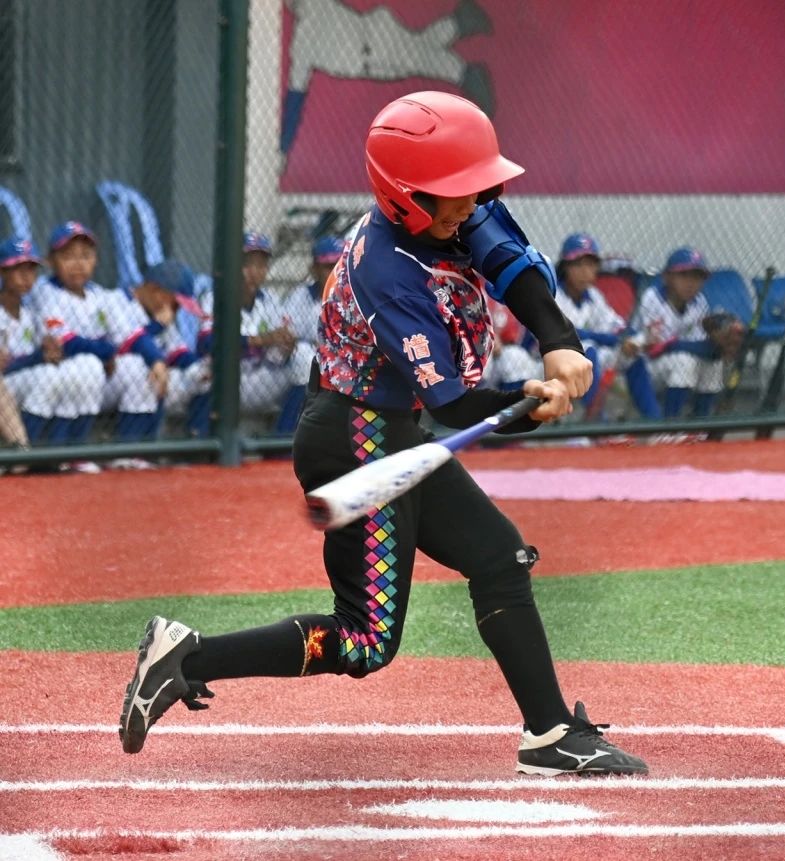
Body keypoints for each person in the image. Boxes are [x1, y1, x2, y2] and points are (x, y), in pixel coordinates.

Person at [119, 91, 648, 777]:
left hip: (390, 428)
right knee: (366, 640)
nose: (471, 203)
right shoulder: (388, 272)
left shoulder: (452, 212)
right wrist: (526, 399)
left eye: (473, 187)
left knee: (497, 556)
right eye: (454, 192)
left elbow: (511, 265)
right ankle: (187, 655)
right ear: (406, 197)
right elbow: (453, 404)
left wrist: (559, 340)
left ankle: (550, 734)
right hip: (354, 433)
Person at [199, 232, 313, 435]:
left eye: (261, 265)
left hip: (260, 380)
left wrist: (286, 346)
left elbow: (279, 349)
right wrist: (261, 339)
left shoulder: (269, 299)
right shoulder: (215, 298)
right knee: (203, 370)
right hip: (224, 384)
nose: (254, 272)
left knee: (305, 355)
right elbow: (207, 342)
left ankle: (281, 440)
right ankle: (201, 441)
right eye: (247, 264)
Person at [28, 222, 125, 455]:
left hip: (97, 372)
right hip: (54, 367)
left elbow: (122, 337)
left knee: (134, 369)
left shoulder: (98, 294)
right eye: (68, 256)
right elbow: (66, 342)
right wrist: (105, 351)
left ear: (96, 260)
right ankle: (60, 450)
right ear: (51, 261)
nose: (78, 264)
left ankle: (129, 450)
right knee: (86, 366)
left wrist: (108, 351)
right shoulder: (45, 291)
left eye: (86, 256)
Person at [631, 247, 739, 418]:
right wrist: (702, 347)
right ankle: (669, 427)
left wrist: (717, 346)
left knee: (713, 363)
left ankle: (700, 424)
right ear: (667, 277)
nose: (691, 283)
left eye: (697, 277)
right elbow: (659, 347)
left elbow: (698, 344)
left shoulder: (699, 302)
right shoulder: (653, 298)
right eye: (684, 275)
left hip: (674, 365)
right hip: (643, 369)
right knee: (684, 360)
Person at [114, 260, 214, 439]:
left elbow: (179, 353)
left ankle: (197, 445)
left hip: (151, 382)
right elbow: (127, 345)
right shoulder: (118, 301)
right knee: (143, 371)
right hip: (114, 381)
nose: (177, 311)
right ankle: (129, 449)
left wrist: (201, 369)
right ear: (155, 290)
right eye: (175, 304)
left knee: (206, 379)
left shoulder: (159, 312)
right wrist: (157, 326)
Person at [552, 232, 644, 415]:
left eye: (591, 264)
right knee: (588, 349)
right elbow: (569, 334)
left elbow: (617, 327)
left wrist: (631, 338)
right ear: (564, 267)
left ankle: (655, 426)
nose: (585, 271)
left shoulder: (594, 296)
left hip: (581, 364)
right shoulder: (553, 294)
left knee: (632, 356)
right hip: (544, 362)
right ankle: (590, 422)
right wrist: (615, 340)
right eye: (578, 264)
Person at [0, 237, 53, 449]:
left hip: (23, 382)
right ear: (2, 272)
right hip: (7, 384)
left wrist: (50, 351)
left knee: (55, 375)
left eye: (31, 270)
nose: (26, 277)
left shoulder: (32, 314)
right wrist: (37, 357)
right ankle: (24, 451)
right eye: (18, 269)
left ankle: (37, 448)